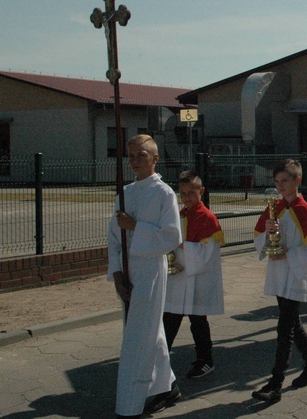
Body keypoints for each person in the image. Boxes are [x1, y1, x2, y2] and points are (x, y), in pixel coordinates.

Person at [108, 134, 182, 418]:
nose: (135, 161)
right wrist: (117, 271)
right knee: (149, 329)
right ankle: (167, 385)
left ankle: (138, 398)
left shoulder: (164, 193)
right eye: (131, 155)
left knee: (139, 334)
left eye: (141, 155)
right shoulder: (125, 192)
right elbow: (113, 236)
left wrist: (135, 226)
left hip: (150, 268)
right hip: (128, 271)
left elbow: (171, 236)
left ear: (155, 158)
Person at [252, 159, 307, 402]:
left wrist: (289, 254)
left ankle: (275, 383)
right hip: (279, 274)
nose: (280, 187)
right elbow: (259, 239)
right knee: (293, 323)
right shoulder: (274, 208)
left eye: (284, 181)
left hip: (296, 275)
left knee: (284, 328)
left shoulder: (305, 210)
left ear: (298, 180)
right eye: (276, 182)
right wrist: (268, 232)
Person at [163, 170, 225, 379]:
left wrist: (182, 246)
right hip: (179, 278)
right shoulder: (180, 215)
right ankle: (159, 358)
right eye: (183, 193)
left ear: (202, 191)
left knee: (198, 321)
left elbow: (206, 254)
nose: (187, 197)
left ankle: (205, 360)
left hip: (198, 279)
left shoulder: (207, 218)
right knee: (169, 319)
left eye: (191, 192)